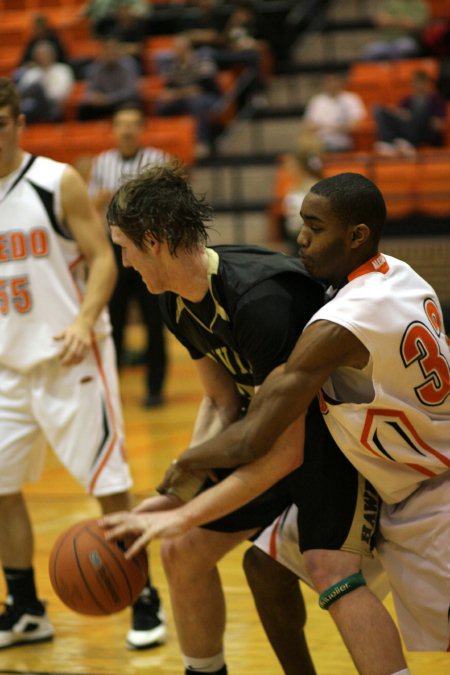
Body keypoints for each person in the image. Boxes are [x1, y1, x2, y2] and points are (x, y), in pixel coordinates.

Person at [109, 171, 449, 654]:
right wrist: (181, 492)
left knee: (330, 570)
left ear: (153, 241)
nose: (301, 239)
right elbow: (224, 403)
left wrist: (184, 493)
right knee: (225, 560)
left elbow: (270, 444)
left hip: (378, 467)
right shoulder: (174, 302)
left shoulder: (286, 308)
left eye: (125, 247)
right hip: (337, 449)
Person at [0, 77, 165, 651]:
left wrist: (82, 320)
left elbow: (103, 261)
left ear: (18, 123)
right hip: (6, 367)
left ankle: (143, 597)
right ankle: (24, 608)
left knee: (110, 485)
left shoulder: (55, 182)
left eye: (0, 125)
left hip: (72, 355)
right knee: (1, 489)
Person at [89, 103, 169, 407]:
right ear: (114, 129)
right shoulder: (101, 162)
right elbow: (90, 209)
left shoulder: (157, 161)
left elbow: (167, 207)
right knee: (114, 323)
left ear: (142, 128)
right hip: (114, 250)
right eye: (122, 123)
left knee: (154, 322)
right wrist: (98, 201)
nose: (127, 129)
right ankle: (111, 389)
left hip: (149, 250)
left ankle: (155, 388)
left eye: (133, 123)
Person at [155, 35, 222, 158]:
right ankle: (168, 141)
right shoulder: (174, 65)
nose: (175, 51)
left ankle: (201, 143)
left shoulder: (203, 60)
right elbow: (170, 87)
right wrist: (167, 95)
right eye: (174, 48)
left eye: (178, 48)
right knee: (161, 105)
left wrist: (177, 93)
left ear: (187, 48)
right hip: (184, 98)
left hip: (210, 97)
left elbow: (202, 88)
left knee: (196, 102)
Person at [373, 69, 448, 156]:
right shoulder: (407, 100)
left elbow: (439, 125)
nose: (417, 85)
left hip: (425, 132)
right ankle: (388, 142)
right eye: (415, 82)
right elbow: (400, 117)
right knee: (378, 109)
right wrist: (400, 114)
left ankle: (406, 142)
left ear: (427, 83)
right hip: (408, 129)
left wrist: (422, 118)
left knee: (421, 106)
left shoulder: (437, 100)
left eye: (420, 82)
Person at [77, 36, 140, 121]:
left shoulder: (129, 65)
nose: (110, 53)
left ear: (119, 51)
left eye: (113, 49)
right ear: (101, 51)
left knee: (131, 102)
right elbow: (89, 90)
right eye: (107, 50)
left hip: (121, 102)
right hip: (102, 104)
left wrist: (108, 99)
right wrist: (93, 97)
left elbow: (129, 91)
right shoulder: (94, 68)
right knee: (84, 108)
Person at [301, 74, 366, 152]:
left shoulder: (351, 99)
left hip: (343, 144)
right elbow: (308, 125)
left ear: (341, 82)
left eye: (335, 81)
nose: (332, 84)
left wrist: (324, 127)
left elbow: (355, 125)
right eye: (329, 82)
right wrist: (338, 128)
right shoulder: (316, 100)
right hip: (319, 145)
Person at [16, 40, 75, 123]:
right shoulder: (31, 73)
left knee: (36, 88)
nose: (42, 57)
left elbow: (61, 94)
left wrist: (43, 90)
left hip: (53, 107)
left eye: (44, 54)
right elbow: (21, 93)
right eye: (39, 54)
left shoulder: (62, 70)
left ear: (52, 54)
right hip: (31, 107)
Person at [362, 0, 430, 61]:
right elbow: (380, 21)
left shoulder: (419, 4)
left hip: (408, 41)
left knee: (404, 47)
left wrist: (391, 20)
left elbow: (415, 25)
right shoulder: (390, 2)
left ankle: (397, 73)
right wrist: (402, 21)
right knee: (371, 51)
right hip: (386, 42)